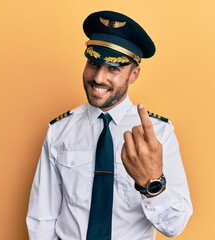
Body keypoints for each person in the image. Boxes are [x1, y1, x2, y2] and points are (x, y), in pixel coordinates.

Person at [26, 10, 192, 240]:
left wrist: (151, 183)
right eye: (94, 63)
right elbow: (41, 218)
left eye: (113, 68)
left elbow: (174, 226)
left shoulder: (159, 134)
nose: (99, 77)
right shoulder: (59, 130)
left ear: (134, 74)